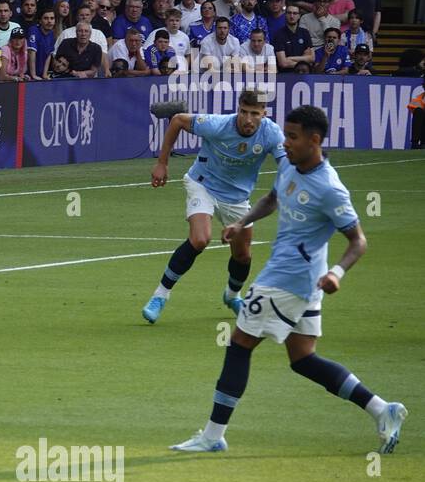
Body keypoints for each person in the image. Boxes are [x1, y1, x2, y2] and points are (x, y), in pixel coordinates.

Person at [170, 105, 407, 454]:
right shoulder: (289, 166)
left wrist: (337, 273)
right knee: (303, 359)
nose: (286, 143)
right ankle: (381, 409)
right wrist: (242, 222)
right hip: (299, 283)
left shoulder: (329, 188)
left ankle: (212, 435)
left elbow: (358, 241)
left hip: (287, 281)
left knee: (239, 345)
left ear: (315, 140)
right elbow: (271, 198)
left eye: (292, 137)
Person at [144, 90, 285, 324]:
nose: (248, 119)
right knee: (200, 239)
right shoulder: (218, 124)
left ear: (264, 114)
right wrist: (162, 163)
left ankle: (232, 296)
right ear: (238, 109)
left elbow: (286, 163)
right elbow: (178, 119)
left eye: (254, 114)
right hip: (203, 184)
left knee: (242, 255)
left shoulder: (271, 133)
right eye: (244, 112)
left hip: (237, 197)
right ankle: (160, 295)